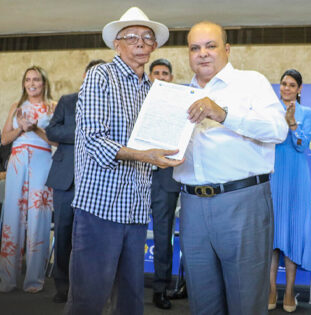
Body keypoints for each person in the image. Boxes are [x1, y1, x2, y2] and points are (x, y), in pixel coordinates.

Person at [65, 7, 183, 315]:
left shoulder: (154, 92)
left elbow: (161, 144)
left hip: (136, 210)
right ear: (116, 44)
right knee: (88, 299)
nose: (140, 42)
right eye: (131, 36)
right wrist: (144, 155)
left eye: (147, 37)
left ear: (154, 46)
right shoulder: (99, 77)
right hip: (100, 208)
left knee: (131, 302)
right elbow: (92, 139)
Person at [173, 21, 288, 315]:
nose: (203, 54)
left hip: (242, 203)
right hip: (191, 206)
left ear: (226, 49)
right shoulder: (178, 95)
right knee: (202, 302)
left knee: (245, 302)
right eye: (195, 48)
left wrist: (223, 114)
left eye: (210, 46)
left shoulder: (251, 83)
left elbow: (278, 130)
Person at [44, 59, 105, 303]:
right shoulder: (67, 101)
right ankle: (62, 286)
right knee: (63, 233)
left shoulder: (107, 104)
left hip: (97, 181)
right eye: (91, 74)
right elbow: (52, 131)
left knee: (94, 236)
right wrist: (82, 135)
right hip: (65, 181)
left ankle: (91, 287)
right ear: (84, 75)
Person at [0, 65, 56, 293]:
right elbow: (4, 139)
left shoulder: (53, 105)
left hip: (42, 160)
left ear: (44, 83)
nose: (32, 84)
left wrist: (36, 129)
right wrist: (22, 129)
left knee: (38, 217)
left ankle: (34, 280)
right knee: (12, 216)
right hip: (18, 159)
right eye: (28, 80)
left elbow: (57, 141)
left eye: (36, 80)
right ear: (24, 83)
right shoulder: (16, 106)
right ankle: (8, 279)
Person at [269, 69, 311, 313]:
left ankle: (288, 291)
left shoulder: (307, 113)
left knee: (293, 232)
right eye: (283, 84)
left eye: (292, 84)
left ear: (300, 89)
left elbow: (302, 146)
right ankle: (270, 289)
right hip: (273, 174)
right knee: (272, 233)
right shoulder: (270, 110)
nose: (286, 88)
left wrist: (293, 124)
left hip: (297, 176)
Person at [148, 58, 182, 310]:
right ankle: (120, 285)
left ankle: (160, 289)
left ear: (171, 78)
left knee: (162, 236)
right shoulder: (134, 101)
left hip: (164, 178)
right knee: (125, 235)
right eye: (156, 72)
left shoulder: (178, 106)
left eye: (165, 73)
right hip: (132, 176)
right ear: (150, 77)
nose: (160, 76)